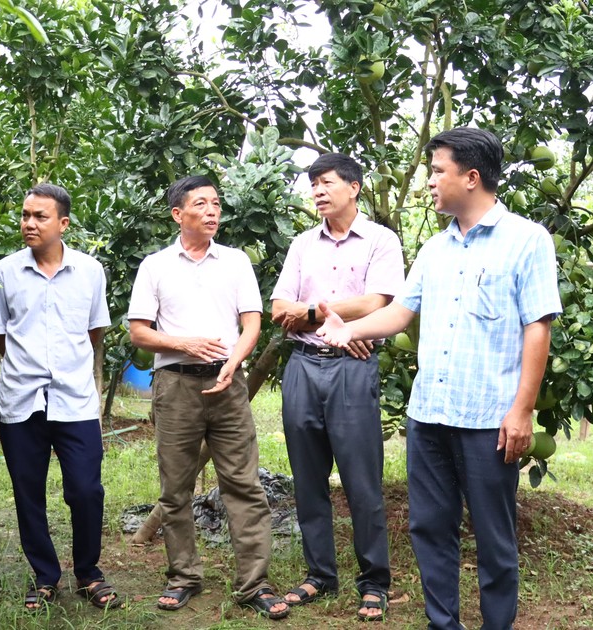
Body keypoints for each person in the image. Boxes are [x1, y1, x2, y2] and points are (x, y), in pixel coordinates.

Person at [316, 128, 562, 629]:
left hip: (488, 417)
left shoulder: (527, 240)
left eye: (437, 171)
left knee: (494, 535)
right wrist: (350, 328)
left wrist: (522, 410)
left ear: (471, 178)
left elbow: (537, 327)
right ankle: (441, 623)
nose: (430, 182)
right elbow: (400, 315)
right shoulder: (435, 249)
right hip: (428, 415)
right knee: (429, 527)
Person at [128, 175, 289, 620]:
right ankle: (184, 577)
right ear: (179, 214)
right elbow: (139, 331)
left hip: (228, 385)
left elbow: (252, 323)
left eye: (216, 203)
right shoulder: (155, 266)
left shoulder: (235, 262)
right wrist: (184, 343)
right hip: (176, 386)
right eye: (201, 203)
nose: (213, 210)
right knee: (175, 487)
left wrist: (232, 363)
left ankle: (253, 583)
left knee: (244, 484)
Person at [269, 152, 404, 621]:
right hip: (303, 365)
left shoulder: (381, 242)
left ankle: (374, 581)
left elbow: (378, 301)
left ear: (354, 187)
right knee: (307, 479)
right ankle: (319, 575)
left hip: (352, 364)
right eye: (313, 185)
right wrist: (318, 314)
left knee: (361, 480)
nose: (318, 192)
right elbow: (277, 307)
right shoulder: (303, 244)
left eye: (326, 183)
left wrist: (311, 312)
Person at [0, 183, 123, 612]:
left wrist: (64, 364)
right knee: (28, 491)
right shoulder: (4, 271)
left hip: (75, 399)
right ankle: (45, 576)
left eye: (39, 216)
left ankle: (89, 573)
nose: (29, 223)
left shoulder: (90, 271)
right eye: (25, 215)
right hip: (20, 400)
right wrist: (29, 367)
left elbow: (94, 332)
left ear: (63, 223)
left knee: (86, 489)